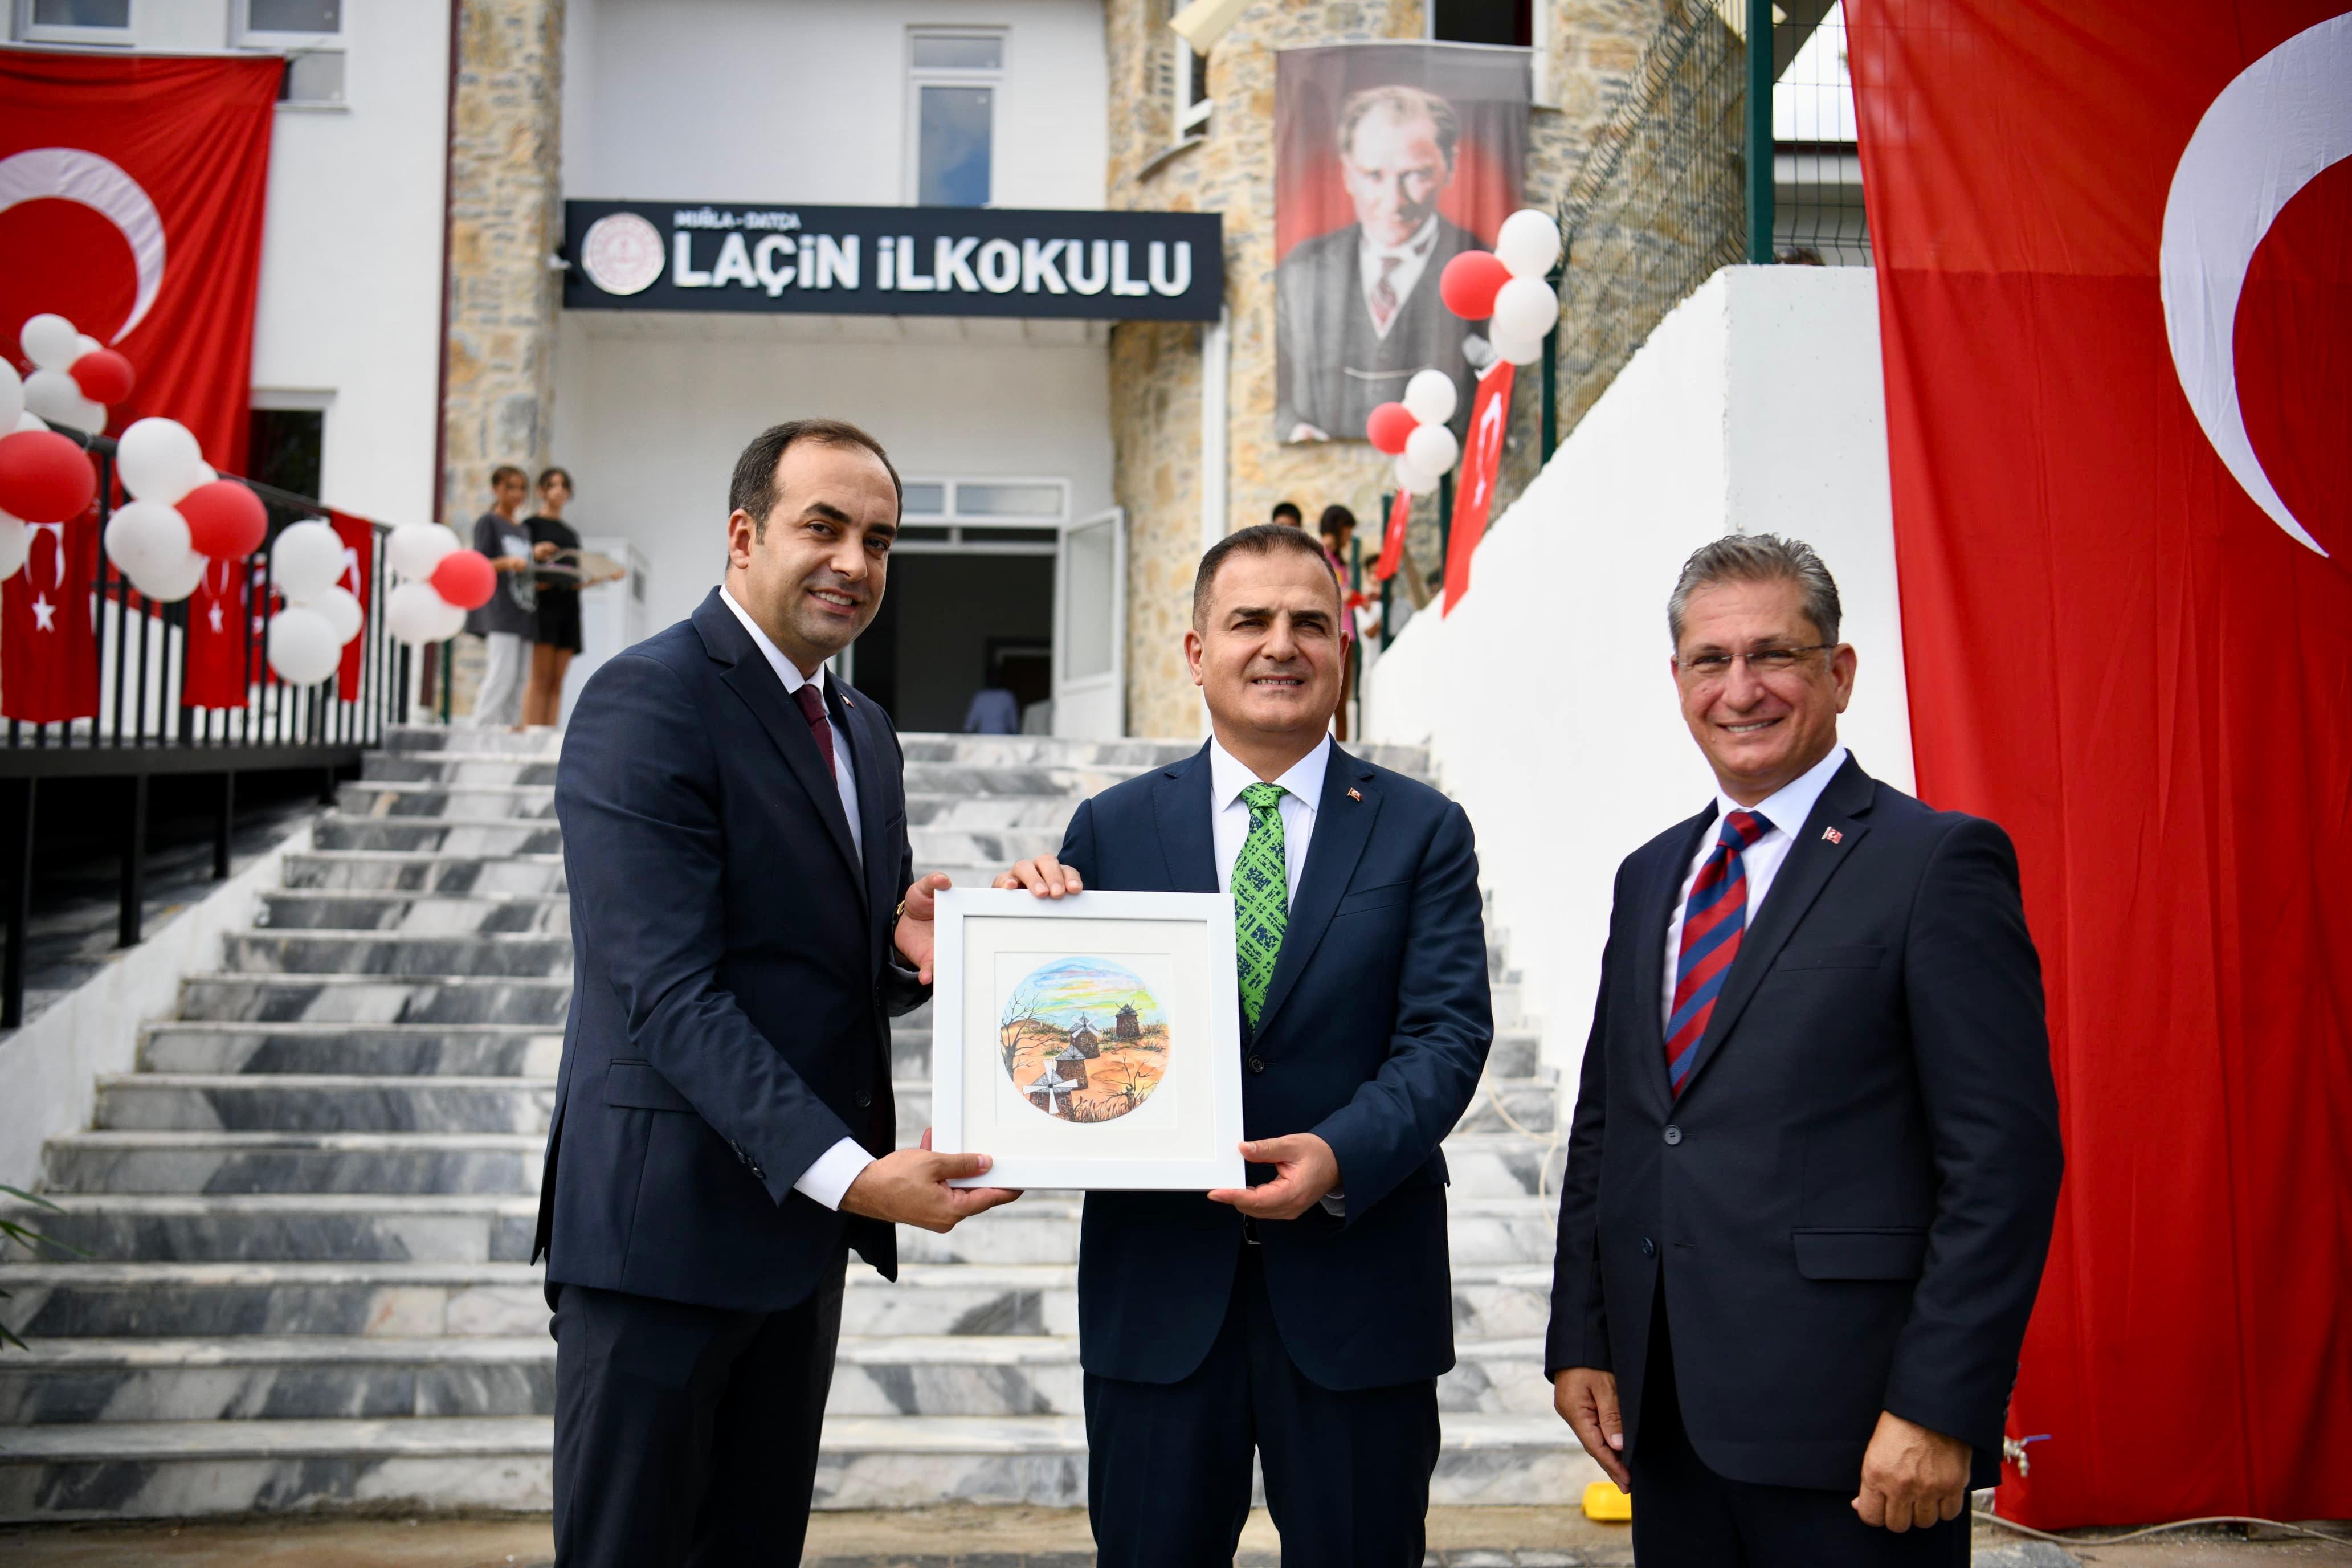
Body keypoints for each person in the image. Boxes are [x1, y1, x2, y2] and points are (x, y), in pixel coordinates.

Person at [540, 419, 1020, 1568]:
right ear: (745, 533)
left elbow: (801, 962)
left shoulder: (863, 730)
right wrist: (856, 1174)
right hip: (660, 1245)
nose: (856, 561)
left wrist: (903, 952)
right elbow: (666, 989)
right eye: (825, 526)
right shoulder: (646, 697)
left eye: (881, 539)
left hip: (794, 1242)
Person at [1546, 534, 2064, 1566]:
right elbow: (1613, 1123)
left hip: (1858, 1440)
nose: (1740, 688)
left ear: (1838, 673)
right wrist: (1584, 1339)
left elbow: (2001, 1161)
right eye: (1710, 660)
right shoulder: (1649, 876)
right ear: (1678, 680)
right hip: (1669, 1427)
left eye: (1773, 655)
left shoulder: (1934, 863)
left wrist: (1938, 1409)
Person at [994, 522, 1493, 1567]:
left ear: (1341, 650)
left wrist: (1339, 1155)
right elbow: (1066, 1023)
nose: (1280, 644)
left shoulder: (1420, 827)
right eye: (1249, 621)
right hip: (1161, 1298)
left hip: (1358, 1291)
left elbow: (1446, 1033)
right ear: (1194, 651)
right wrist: (1013, 948)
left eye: (1309, 622)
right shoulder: (1114, 827)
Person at [1275, 84, 1485, 444]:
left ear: (1449, 166)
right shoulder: (1300, 274)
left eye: (1415, 175)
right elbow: (1274, 393)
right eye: (1374, 176)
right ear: (1347, 174)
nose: (1393, 202)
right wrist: (1294, 429)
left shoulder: (1484, 270)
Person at [464, 464, 548, 730]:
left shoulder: (523, 530)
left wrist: (534, 556)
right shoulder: (489, 522)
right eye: (510, 487)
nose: (517, 494)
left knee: (520, 678)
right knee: (502, 673)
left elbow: (523, 566)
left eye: (522, 488)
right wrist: (508, 562)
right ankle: (480, 729)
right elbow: (480, 564)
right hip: (500, 610)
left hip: (525, 609)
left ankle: (510, 731)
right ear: (496, 489)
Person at [523, 466, 587, 729]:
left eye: (564, 485)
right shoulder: (531, 526)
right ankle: (531, 734)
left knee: (558, 680)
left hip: (568, 605)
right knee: (540, 677)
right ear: (542, 490)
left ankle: (549, 734)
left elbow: (574, 575)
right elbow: (522, 565)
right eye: (553, 484)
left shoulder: (571, 534)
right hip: (543, 604)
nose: (559, 490)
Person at [1316, 505, 1370, 742]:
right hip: (1330, 634)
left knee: (1343, 696)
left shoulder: (1339, 560)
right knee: (1326, 696)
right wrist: (1342, 595)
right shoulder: (1319, 554)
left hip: (1348, 633)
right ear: (1339, 527)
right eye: (1348, 530)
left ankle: (1343, 746)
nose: (1349, 536)